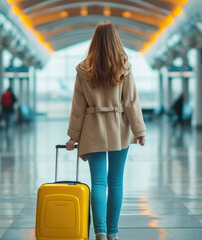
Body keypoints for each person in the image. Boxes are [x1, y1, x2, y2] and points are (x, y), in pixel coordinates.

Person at [65, 21, 146, 240]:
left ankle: (99, 232)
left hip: (93, 129)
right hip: (119, 127)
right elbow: (131, 102)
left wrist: (73, 135)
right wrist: (139, 130)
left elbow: (78, 106)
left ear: (94, 41)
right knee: (116, 182)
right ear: (115, 40)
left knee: (98, 182)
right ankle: (113, 233)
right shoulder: (124, 66)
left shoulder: (84, 69)